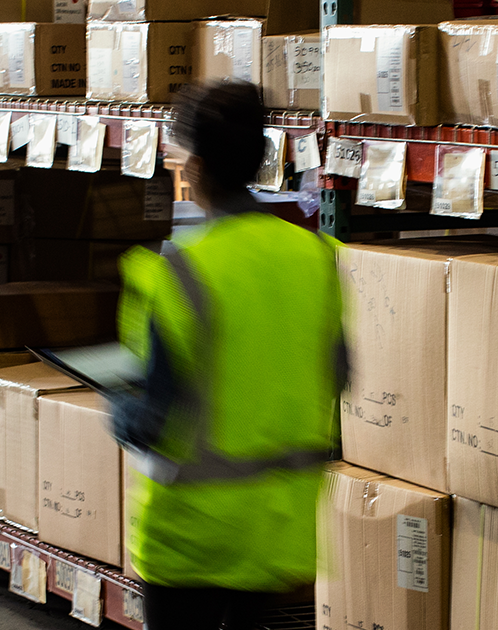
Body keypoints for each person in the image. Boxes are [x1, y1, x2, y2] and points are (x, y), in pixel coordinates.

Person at [112, 82, 346, 630]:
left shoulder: (178, 271)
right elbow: (338, 375)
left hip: (192, 538)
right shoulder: (316, 257)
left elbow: (151, 420)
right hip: (278, 530)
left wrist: (118, 408)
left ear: (193, 167)